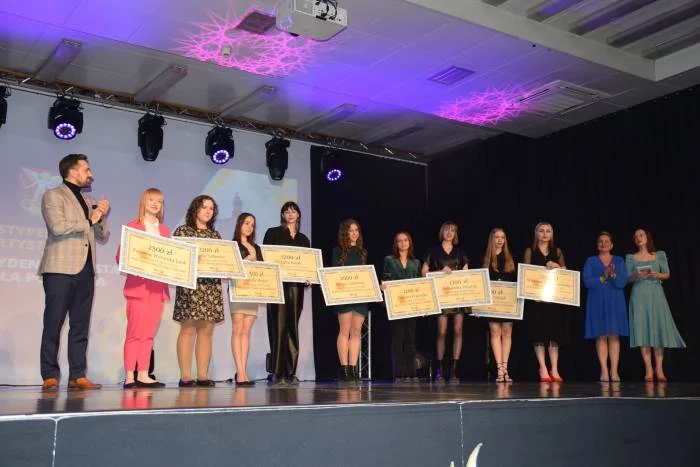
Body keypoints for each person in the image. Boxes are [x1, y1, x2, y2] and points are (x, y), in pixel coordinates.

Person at [38, 153, 110, 390]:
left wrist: (100, 216)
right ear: (72, 171)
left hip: (85, 271)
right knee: (53, 322)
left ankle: (77, 375)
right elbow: (58, 227)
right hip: (59, 269)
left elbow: (102, 235)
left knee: (80, 325)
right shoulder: (53, 195)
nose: (91, 174)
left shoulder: (88, 200)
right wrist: (92, 218)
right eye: (86, 170)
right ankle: (49, 374)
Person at [117, 188, 169, 389]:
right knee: (134, 333)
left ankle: (144, 374)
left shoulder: (164, 230)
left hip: (157, 289)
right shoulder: (133, 226)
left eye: (159, 201)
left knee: (148, 334)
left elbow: (172, 259)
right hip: (138, 287)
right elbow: (120, 255)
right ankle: (130, 375)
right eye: (151, 200)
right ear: (143, 202)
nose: (155, 204)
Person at [172, 195, 224, 387]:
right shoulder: (183, 231)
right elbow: (176, 259)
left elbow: (223, 261)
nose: (208, 211)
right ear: (195, 209)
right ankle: (185, 375)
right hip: (190, 286)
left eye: (211, 208)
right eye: (204, 207)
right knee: (188, 328)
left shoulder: (215, 236)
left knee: (207, 329)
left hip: (211, 287)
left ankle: (203, 375)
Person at [625, 228, 685, 382]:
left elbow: (667, 274)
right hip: (639, 295)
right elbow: (627, 278)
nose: (638, 238)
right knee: (642, 329)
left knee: (658, 329)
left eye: (641, 235)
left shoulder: (659, 255)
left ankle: (659, 367)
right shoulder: (631, 258)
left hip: (656, 294)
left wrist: (656, 274)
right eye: (636, 236)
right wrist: (636, 275)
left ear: (647, 237)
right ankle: (648, 368)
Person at [263, 201, 310, 385]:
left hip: (297, 289)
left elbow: (308, 265)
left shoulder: (303, 239)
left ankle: (290, 372)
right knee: (278, 328)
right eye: (287, 211)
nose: (290, 214)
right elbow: (265, 258)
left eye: (293, 211)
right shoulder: (273, 233)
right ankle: (277, 372)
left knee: (292, 328)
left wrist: (309, 277)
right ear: (282, 215)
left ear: (298, 215)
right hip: (278, 287)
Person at [421, 221, 469, 383]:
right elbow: (424, 273)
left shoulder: (460, 253)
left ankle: (454, 369)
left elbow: (467, 275)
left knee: (458, 330)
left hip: (458, 297)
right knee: (441, 331)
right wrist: (440, 273)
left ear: (455, 234)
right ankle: (440, 368)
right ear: (442, 232)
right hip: (441, 297)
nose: (449, 233)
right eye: (447, 230)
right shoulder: (433, 252)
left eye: (453, 231)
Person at [523, 222, 567, 383]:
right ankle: (542, 367)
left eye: (548, 231)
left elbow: (566, 274)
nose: (545, 234)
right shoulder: (530, 251)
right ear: (536, 234)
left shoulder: (557, 252)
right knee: (539, 335)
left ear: (552, 234)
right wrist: (531, 294)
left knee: (554, 335)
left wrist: (556, 266)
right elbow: (525, 274)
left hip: (553, 299)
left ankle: (554, 368)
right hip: (537, 300)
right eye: (541, 231)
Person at [582, 232, 629, 383]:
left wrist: (613, 275)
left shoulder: (619, 260)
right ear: (597, 245)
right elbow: (587, 281)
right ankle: (603, 370)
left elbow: (623, 282)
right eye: (600, 241)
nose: (603, 244)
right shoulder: (591, 260)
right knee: (601, 335)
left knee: (614, 335)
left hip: (615, 300)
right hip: (596, 300)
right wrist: (602, 277)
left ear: (612, 244)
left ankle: (614, 370)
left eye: (606, 241)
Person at [332, 219, 370, 383]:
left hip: (360, 296)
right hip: (344, 295)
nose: (354, 233)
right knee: (344, 331)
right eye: (350, 230)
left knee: (356, 332)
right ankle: (344, 368)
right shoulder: (338, 250)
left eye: (356, 230)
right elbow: (334, 273)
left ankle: (353, 369)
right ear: (345, 233)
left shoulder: (363, 251)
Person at [382, 231, 421, 383]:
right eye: (399, 240)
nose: (403, 243)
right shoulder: (389, 260)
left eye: (405, 240)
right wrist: (384, 286)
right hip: (396, 305)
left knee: (410, 339)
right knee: (397, 339)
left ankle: (411, 372)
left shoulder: (416, 262)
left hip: (411, 306)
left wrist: (424, 306)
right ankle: (398, 372)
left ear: (409, 242)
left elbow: (419, 285)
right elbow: (386, 278)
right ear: (396, 244)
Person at [230, 212, 263, 386]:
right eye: (246, 223)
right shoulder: (232, 246)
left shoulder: (256, 248)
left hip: (252, 293)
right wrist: (244, 261)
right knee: (238, 330)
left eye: (252, 224)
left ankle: (243, 371)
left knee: (246, 332)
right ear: (239, 224)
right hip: (238, 290)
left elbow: (264, 271)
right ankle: (240, 373)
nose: (249, 227)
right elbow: (230, 269)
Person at [481, 228, 517, 383]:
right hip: (493, 302)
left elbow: (515, 281)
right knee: (495, 332)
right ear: (492, 239)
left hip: (507, 302)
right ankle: (499, 369)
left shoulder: (510, 258)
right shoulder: (486, 259)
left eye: (502, 237)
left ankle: (505, 368)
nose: (500, 240)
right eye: (497, 237)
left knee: (507, 332)